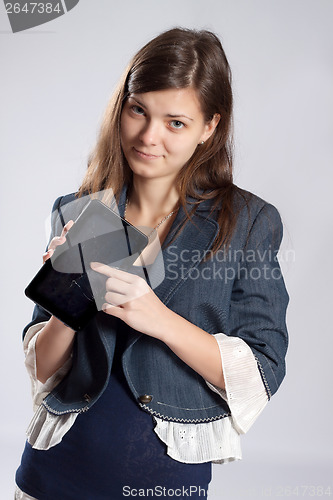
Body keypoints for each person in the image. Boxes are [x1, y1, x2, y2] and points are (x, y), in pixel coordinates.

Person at [15, 27, 289, 500]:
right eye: (138, 109)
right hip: (53, 473)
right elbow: (43, 368)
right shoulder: (80, 209)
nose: (147, 136)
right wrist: (68, 295)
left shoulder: (247, 222)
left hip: (161, 480)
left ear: (210, 127)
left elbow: (263, 370)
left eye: (175, 122)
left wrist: (158, 319)